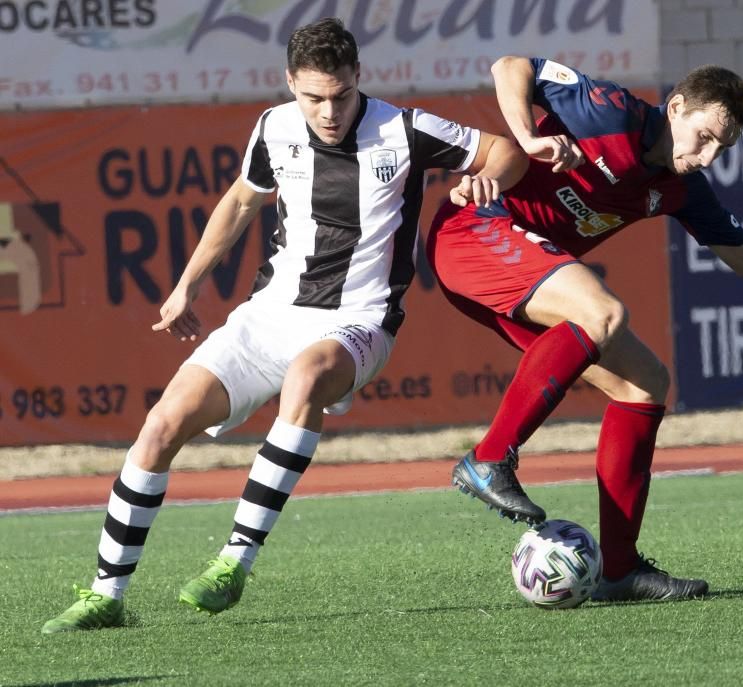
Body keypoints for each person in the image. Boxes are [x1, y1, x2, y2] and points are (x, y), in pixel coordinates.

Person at [41, 18, 526, 633]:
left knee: (306, 376)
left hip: (360, 320)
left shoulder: (404, 128)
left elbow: (503, 151)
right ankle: (106, 595)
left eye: (341, 95)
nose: (328, 112)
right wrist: (186, 285)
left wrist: (486, 177)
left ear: (359, 79)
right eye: (313, 97)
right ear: (289, 83)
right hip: (269, 315)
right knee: (161, 425)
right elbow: (242, 201)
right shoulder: (273, 127)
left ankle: (233, 562)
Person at [427, 56, 743, 603]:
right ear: (676, 108)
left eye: (722, 148)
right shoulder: (609, 112)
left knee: (646, 382)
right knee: (602, 313)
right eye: (705, 136)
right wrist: (526, 136)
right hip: (474, 232)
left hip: (518, 269)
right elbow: (511, 65)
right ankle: (489, 457)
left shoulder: (682, 188)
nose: (707, 155)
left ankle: (617, 570)